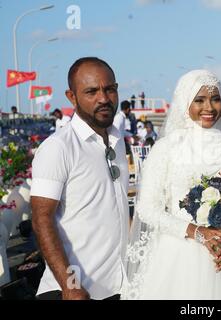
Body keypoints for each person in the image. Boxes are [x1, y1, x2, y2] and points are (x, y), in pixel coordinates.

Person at [122, 70, 221, 299]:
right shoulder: (167, 148)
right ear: (185, 103)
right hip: (178, 257)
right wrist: (197, 232)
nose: (209, 108)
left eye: (215, 99)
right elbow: (147, 208)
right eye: (199, 100)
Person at [30, 57, 129, 300]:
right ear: (72, 97)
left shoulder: (117, 142)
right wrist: (70, 285)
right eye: (91, 91)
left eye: (110, 89)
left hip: (119, 289)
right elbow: (41, 219)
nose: (103, 98)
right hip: (74, 292)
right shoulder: (58, 148)